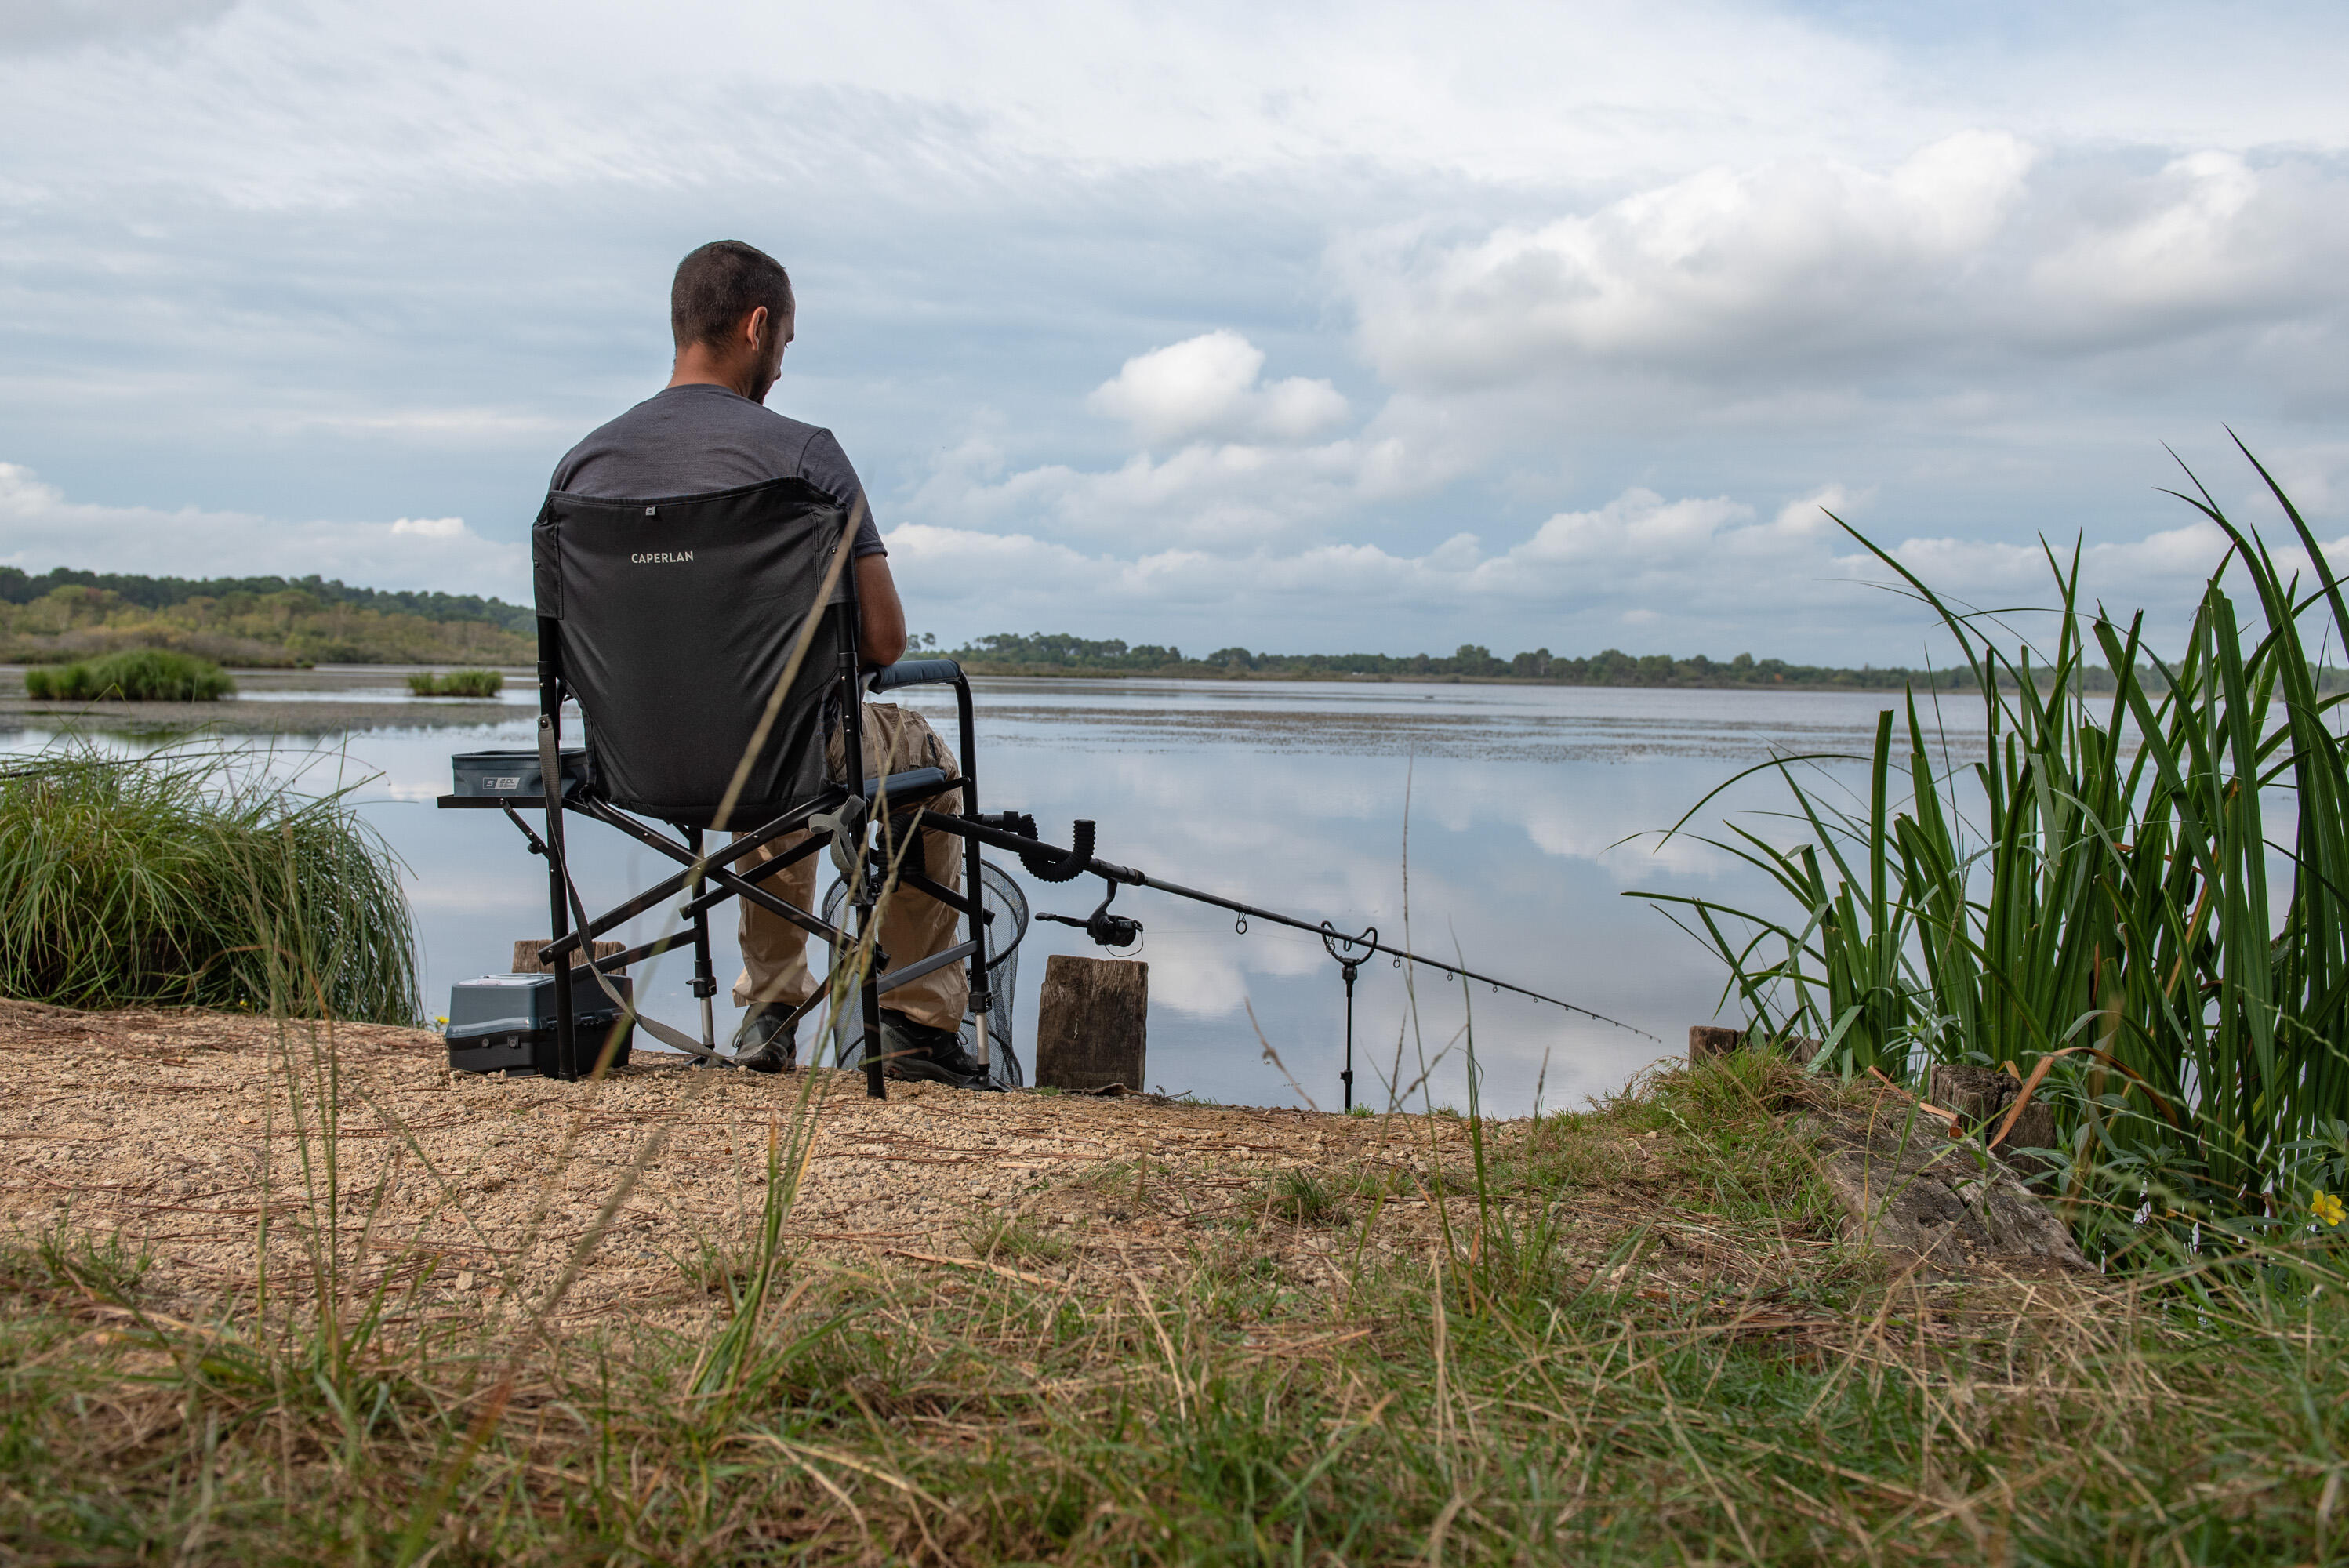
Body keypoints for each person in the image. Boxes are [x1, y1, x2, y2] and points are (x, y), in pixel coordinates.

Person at [549, 240, 985, 1086]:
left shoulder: (582, 467)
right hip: (780, 758)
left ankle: (771, 1004)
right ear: (756, 326)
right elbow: (885, 641)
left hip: (626, 763)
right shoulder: (804, 456)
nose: (780, 368)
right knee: (905, 747)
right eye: (783, 344)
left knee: (778, 731)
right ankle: (913, 1023)